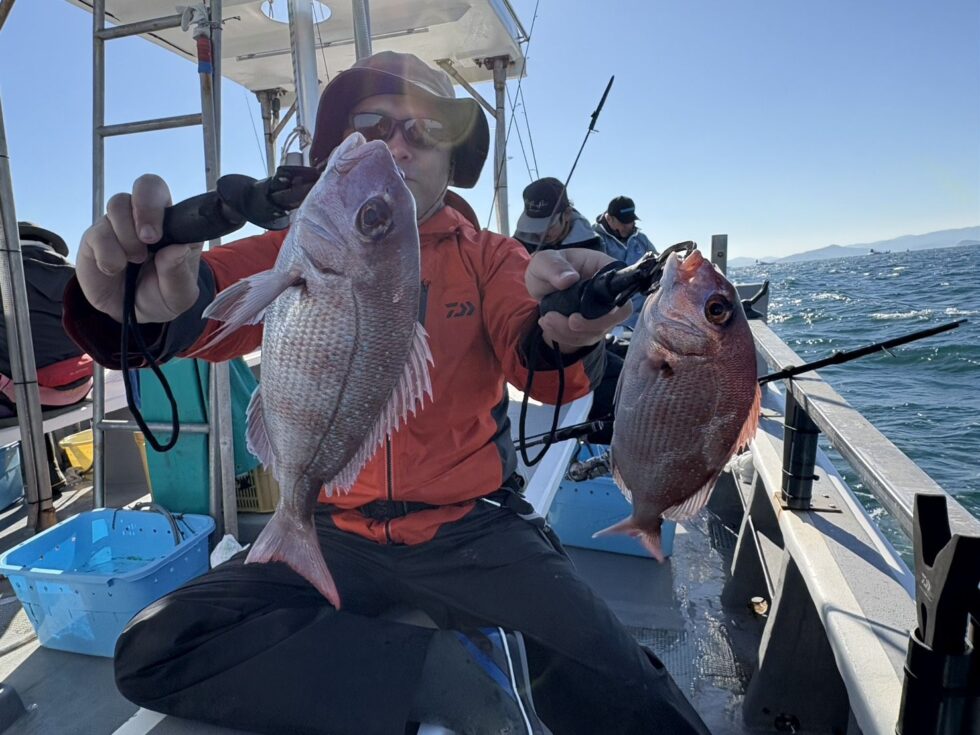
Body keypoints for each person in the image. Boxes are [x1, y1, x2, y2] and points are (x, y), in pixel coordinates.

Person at [64, 51, 709, 735]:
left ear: (450, 160)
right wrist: (132, 307)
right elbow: (197, 303)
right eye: (372, 126)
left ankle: (432, 673)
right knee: (154, 648)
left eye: (426, 130)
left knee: (638, 698)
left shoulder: (492, 256)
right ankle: (449, 675)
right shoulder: (300, 245)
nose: (398, 145)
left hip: (473, 529)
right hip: (334, 529)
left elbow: (538, 351)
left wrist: (569, 330)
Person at [0, 222, 94, 496]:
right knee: (28, 377)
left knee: (23, 384)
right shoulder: (76, 275)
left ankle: (47, 481)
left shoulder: (5, 276)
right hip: (82, 387)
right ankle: (51, 478)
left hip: (22, 398)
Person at [593, 196, 657, 332]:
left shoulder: (641, 240)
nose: (628, 226)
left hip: (641, 323)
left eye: (631, 221)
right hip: (609, 326)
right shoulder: (595, 239)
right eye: (623, 222)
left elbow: (658, 264)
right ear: (609, 218)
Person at [512, 177, 601, 254]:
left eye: (549, 226)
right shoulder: (517, 246)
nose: (540, 234)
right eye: (533, 226)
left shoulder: (592, 247)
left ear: (567, 214)